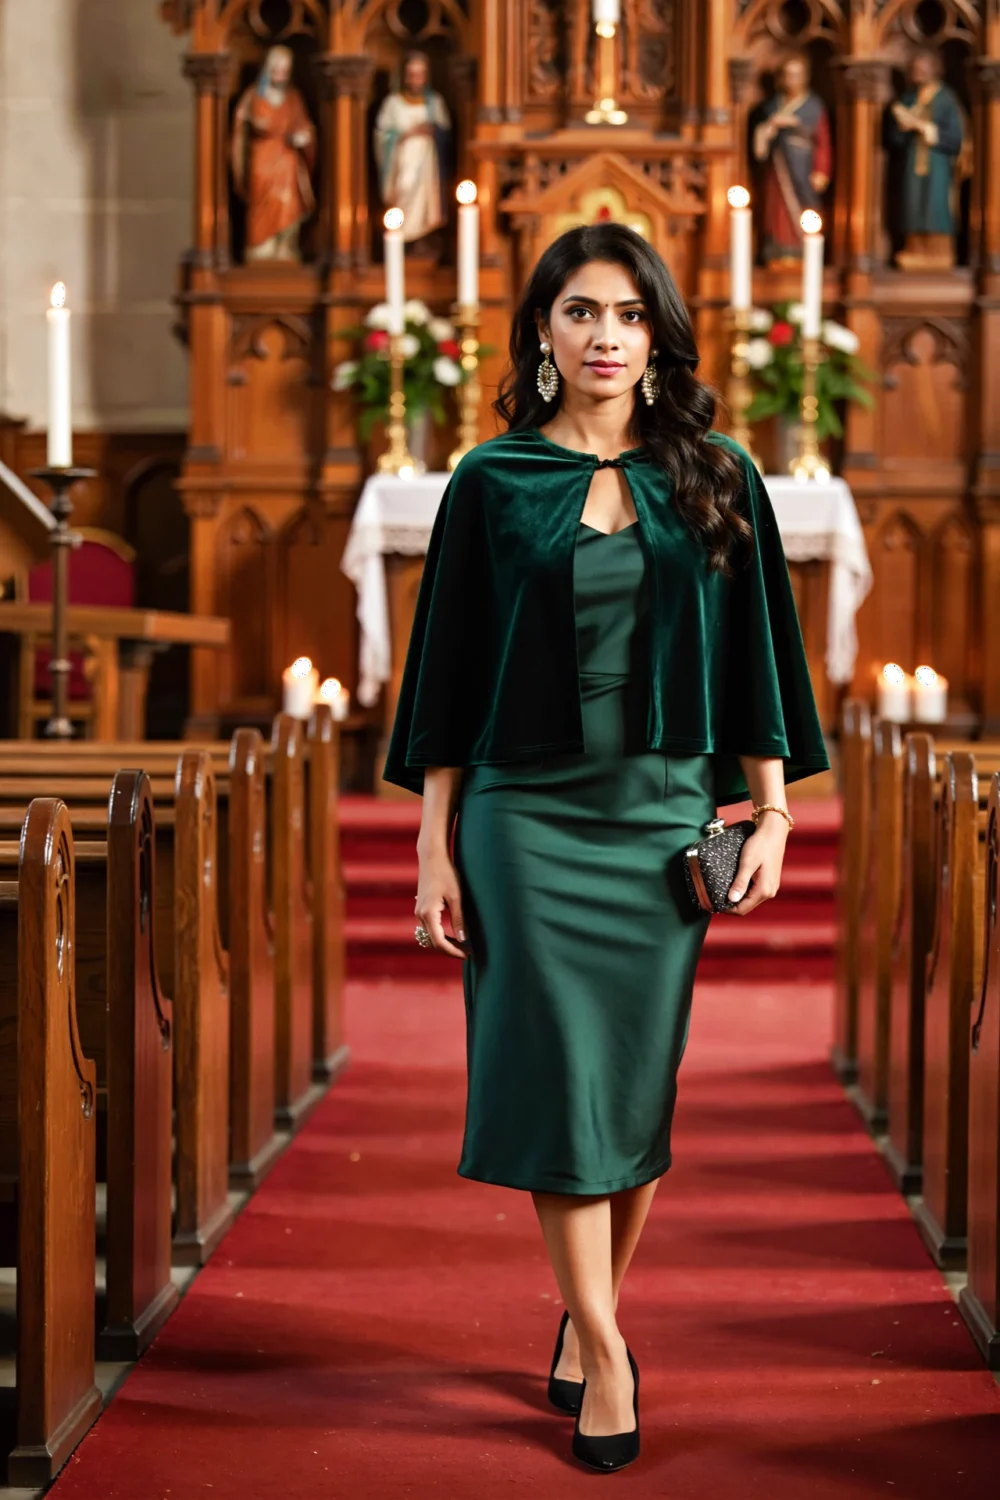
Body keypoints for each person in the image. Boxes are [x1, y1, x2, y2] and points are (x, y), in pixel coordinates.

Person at [382, 223, 830, 1473]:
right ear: (540, 330)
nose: (604, 338)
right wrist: (432, 843)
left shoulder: (715, 472)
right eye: (580, 312)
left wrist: (774, 813)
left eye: (629, 316)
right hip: (523, 821)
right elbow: (445, 677)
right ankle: (606, 1344)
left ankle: (591, 1318)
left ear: (656, 335)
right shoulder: (489, 481)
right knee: (561, 1079)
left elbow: (759, 659)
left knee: (631, 1091)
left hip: (656, 816)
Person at [887, 48, 970, 270]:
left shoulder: (946, 98)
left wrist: (926, 128)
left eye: (923, 68)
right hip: (913, 163)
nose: (919, 72)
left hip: (938, 163)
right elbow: (893, 141)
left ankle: (940, 251)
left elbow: (955, 138)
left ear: (935, 69)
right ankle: (914, 249)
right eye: (915, 69)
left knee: (935, 205)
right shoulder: (909, 98)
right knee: (912, 204)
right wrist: (901, 127)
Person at [231, 45, 316, 262]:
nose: (280, 74)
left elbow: (305, 126)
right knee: (261, 202)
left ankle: (284, 245)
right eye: (276, 69)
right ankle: (261, 245)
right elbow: (240, 128)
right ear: (267, 70)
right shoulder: (253, 96)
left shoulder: (293, 98)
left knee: (288, 203)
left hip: (287, 161)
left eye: (284, 70)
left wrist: (303, 137)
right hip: (262, 158)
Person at [752, 52, 832, 265]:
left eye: (796, 75)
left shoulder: (814, 106)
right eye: (787, 75)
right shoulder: (772, 106)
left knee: (806, 206)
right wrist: (770, 127)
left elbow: (822, 141)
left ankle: (802, 248)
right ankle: (778, 248)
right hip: (778, 167)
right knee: (777, 209)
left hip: (804, 165)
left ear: (805, 77)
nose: (791, 80)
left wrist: (821, 171)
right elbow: (762, 138)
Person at [372, 50, 451, 250]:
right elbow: (382, 134)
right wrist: (404, 135)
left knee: (426, 201)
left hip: (427, 161)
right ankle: (403, 237)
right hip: (403, 159)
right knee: (404, 189)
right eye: (412, 74)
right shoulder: (393, 103)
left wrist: (433, 131)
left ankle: (422, 238)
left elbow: (445, 132)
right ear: (404, 76)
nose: (416, 79)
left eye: (420, 74)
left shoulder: (434, 102)